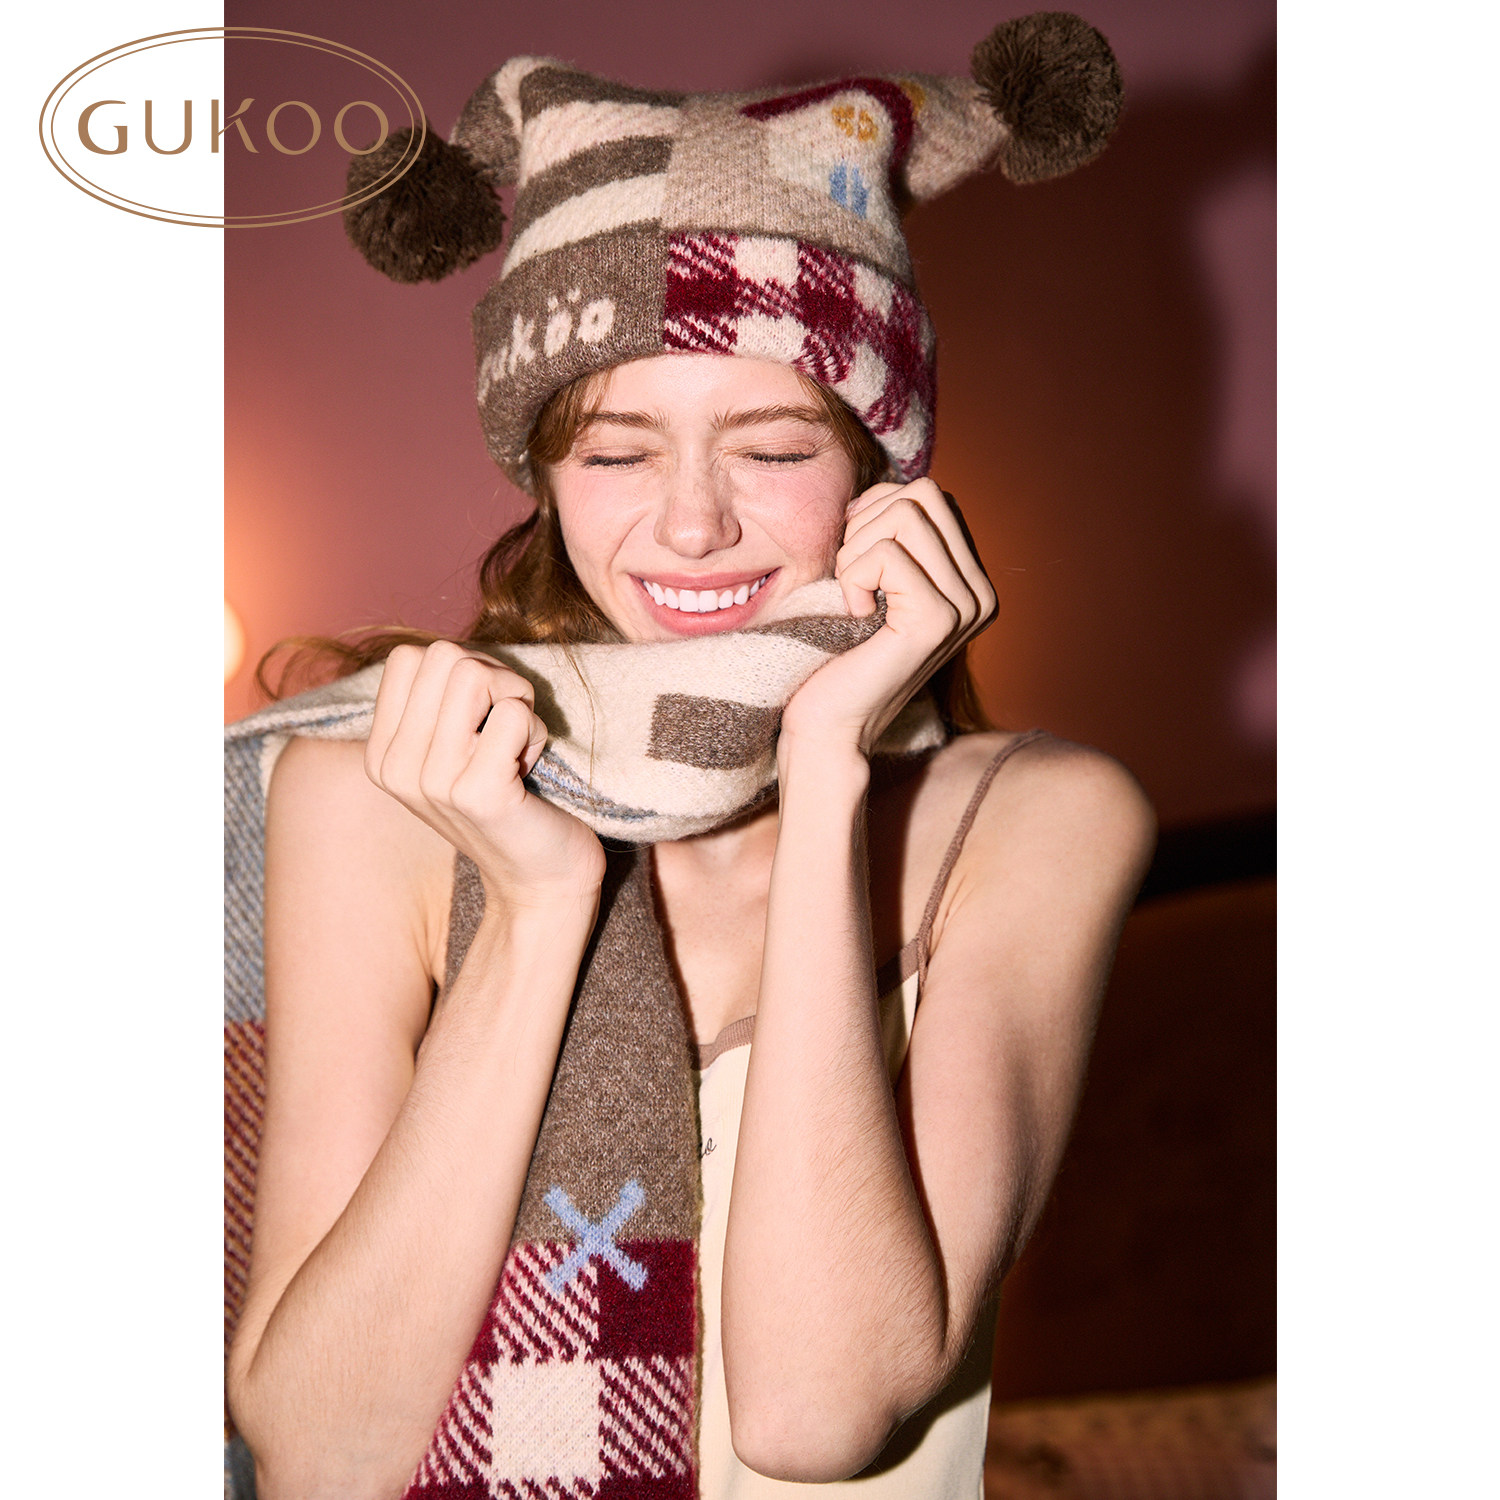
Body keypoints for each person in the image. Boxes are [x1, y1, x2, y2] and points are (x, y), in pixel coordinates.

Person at [224, 16, 1153, 1500]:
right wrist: (537, 909)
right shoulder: (375, 796)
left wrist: (830, 765)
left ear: (879, 467)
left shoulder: (1034, 824)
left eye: (774, 448)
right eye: (615, 451)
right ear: (542, 475)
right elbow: (322, 1455)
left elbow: (816, 1414)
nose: (694, 524)